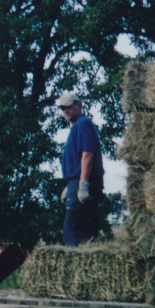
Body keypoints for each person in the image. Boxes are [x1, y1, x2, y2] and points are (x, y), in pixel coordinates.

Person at [56, 91, 105, 246]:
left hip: (83, 181)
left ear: (79, 105)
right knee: (85, 230)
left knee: (72, 228)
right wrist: (70, 185)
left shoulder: (83, 124)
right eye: (62, 108)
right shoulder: (77, 126)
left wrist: (82, 184)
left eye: (68, 107)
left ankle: (72, 262)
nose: (65, 111)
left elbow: (88, 155)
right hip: (76, 181)